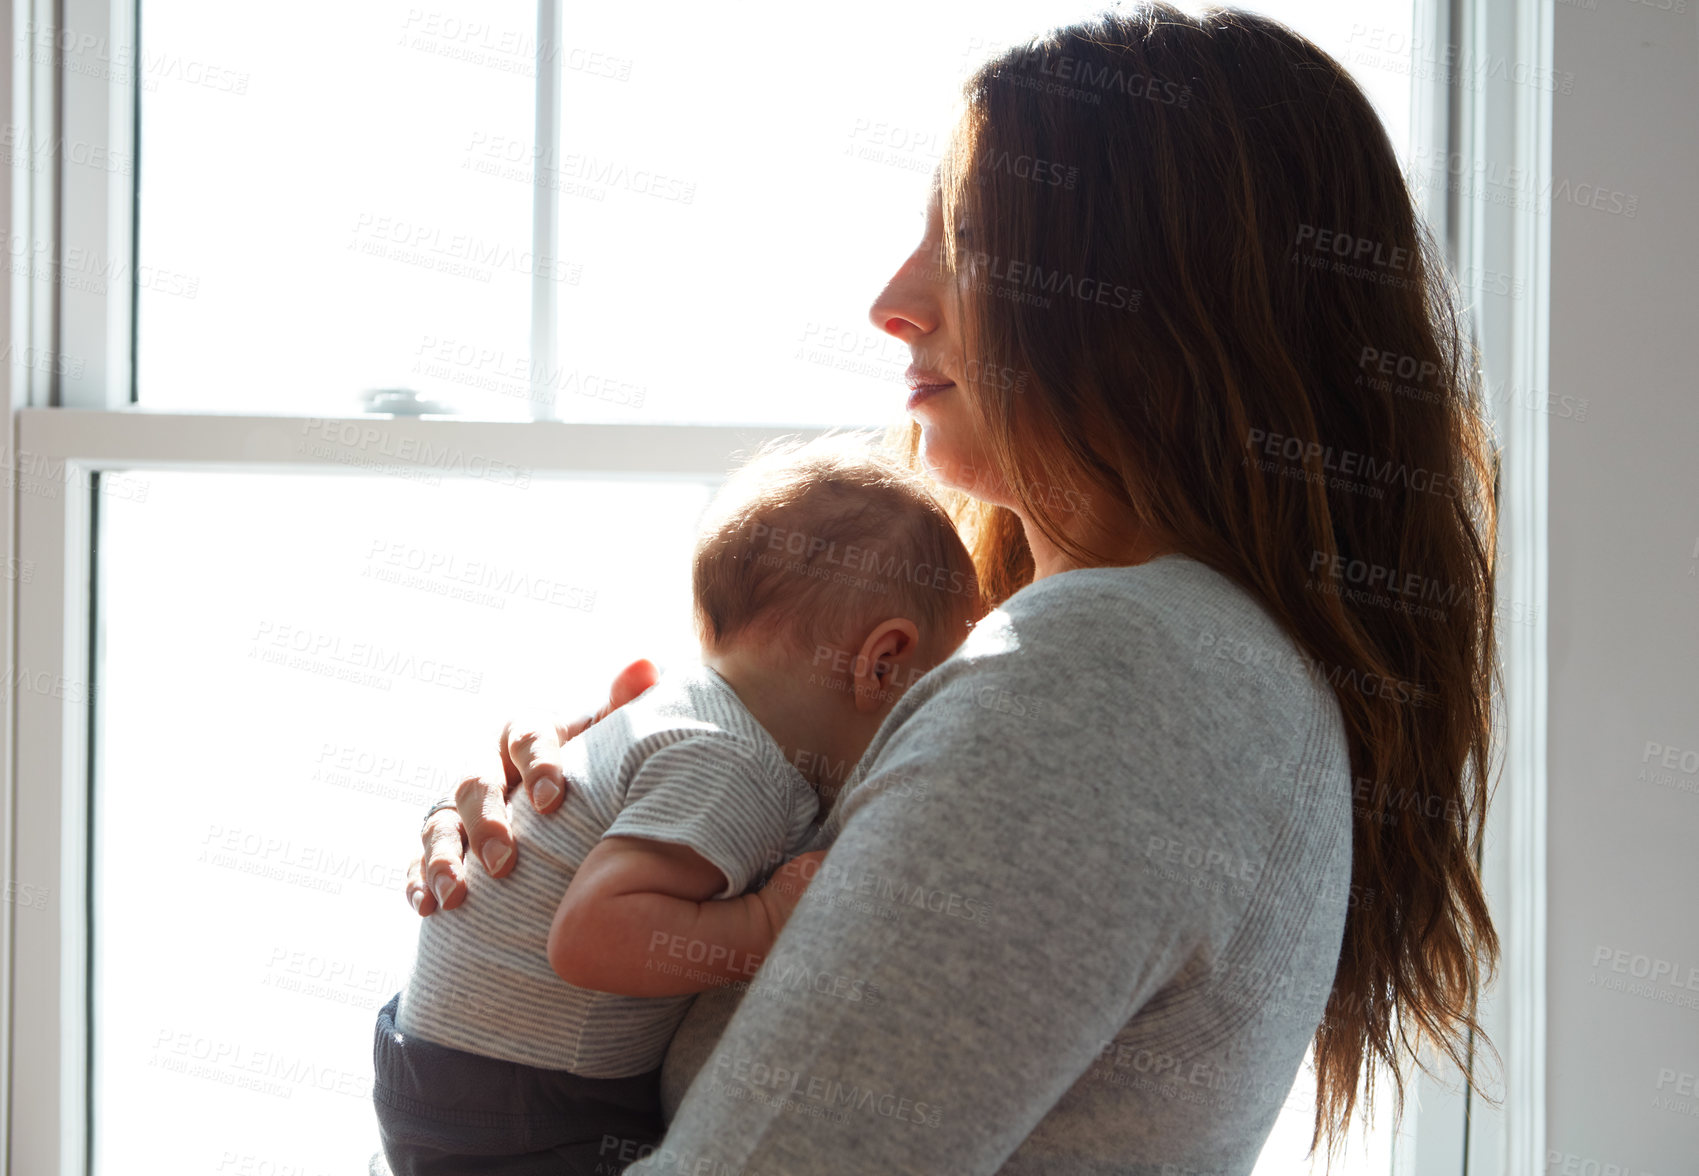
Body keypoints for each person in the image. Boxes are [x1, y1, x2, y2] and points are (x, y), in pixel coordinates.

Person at [406, 6, 1501, 1173]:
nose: (893, 299)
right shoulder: (1176, 668)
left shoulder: (1101, 674)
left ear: (1151, 306)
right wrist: (566, 845)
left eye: (972, 243)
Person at [375, 438, 980, 1174]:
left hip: (454, 1066)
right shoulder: (737, 762)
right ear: (882, 663)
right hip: (525, 1100)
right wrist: (764, 924)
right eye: (927, 692)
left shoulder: (678, 708)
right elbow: (592, 935)